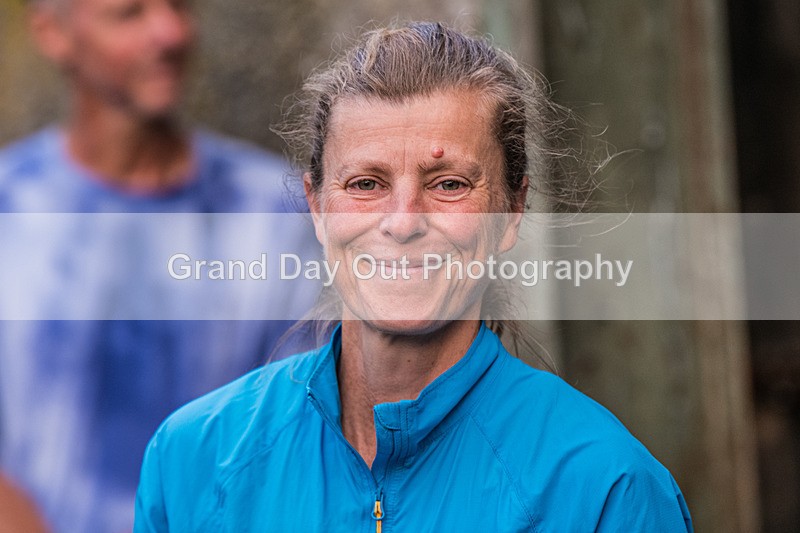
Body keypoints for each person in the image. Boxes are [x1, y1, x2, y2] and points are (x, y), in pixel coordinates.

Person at [134, 22, 694, 531]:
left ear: (511, 210)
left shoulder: (605, 490)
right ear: (317, 207)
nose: (402, 223)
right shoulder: (193, 461)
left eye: (449, 184)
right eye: (365, 184)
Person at [0, 0, 317, 531]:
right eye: (129, 13)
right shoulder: (11, 210)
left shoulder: (276, 216)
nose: (170, 32)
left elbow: (304, 433)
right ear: (53, 33)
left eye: (178, 5)